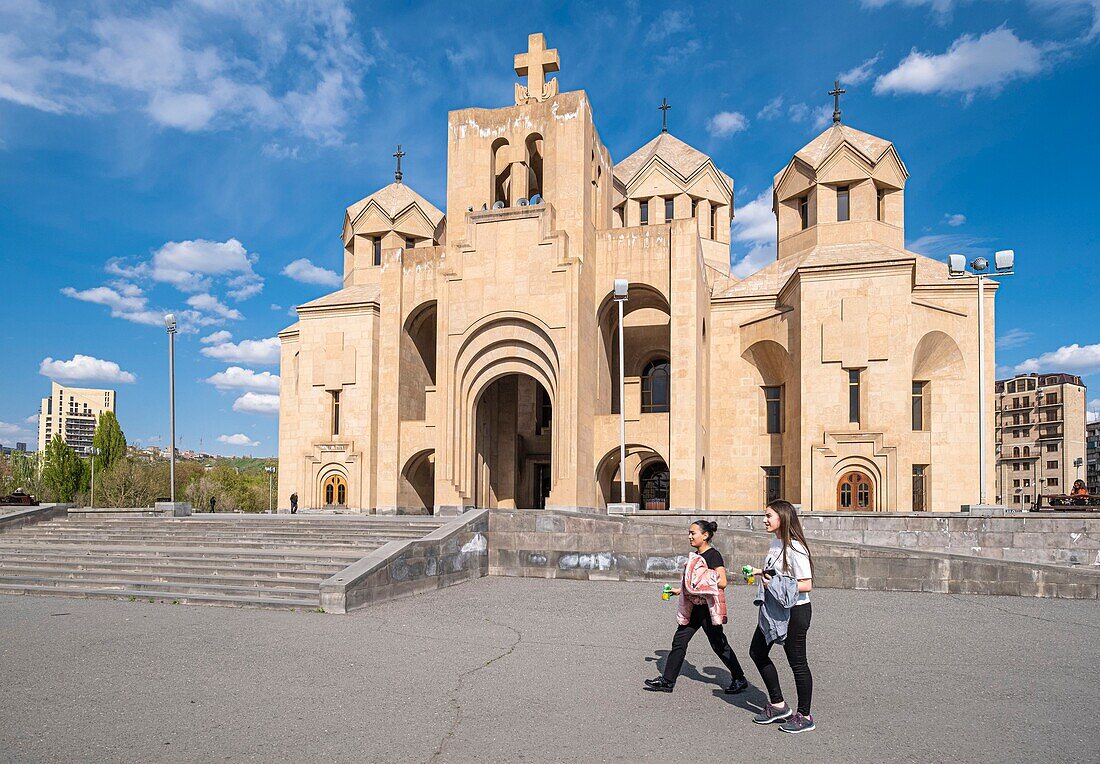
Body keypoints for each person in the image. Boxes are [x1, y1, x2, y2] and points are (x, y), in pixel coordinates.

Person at [644, 520, 749, 695]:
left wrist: (701, 582)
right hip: (693, 607)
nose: (690, 536)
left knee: (719, 645)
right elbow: (692, 583)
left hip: (707, 609)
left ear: (705, 535)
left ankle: (739, 678)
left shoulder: (713, 555)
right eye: (689, 533)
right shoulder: (695, 556)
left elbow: (722, 582)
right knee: (679, 641)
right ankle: (667, 681)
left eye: (693, 533)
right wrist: (679, 591)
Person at [748, 499, 815, 734]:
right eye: (765, 515)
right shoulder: (776, 542)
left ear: (783, 518)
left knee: (797, 663)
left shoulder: (796, 547)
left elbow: (807, 584)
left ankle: (805, 716)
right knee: (757, 651)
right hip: (773, 608)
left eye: (769, 516)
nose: (764, 520)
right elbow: (777, 572)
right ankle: (778, 705)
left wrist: (774, 582)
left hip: (795, 611)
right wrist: (760, 573)